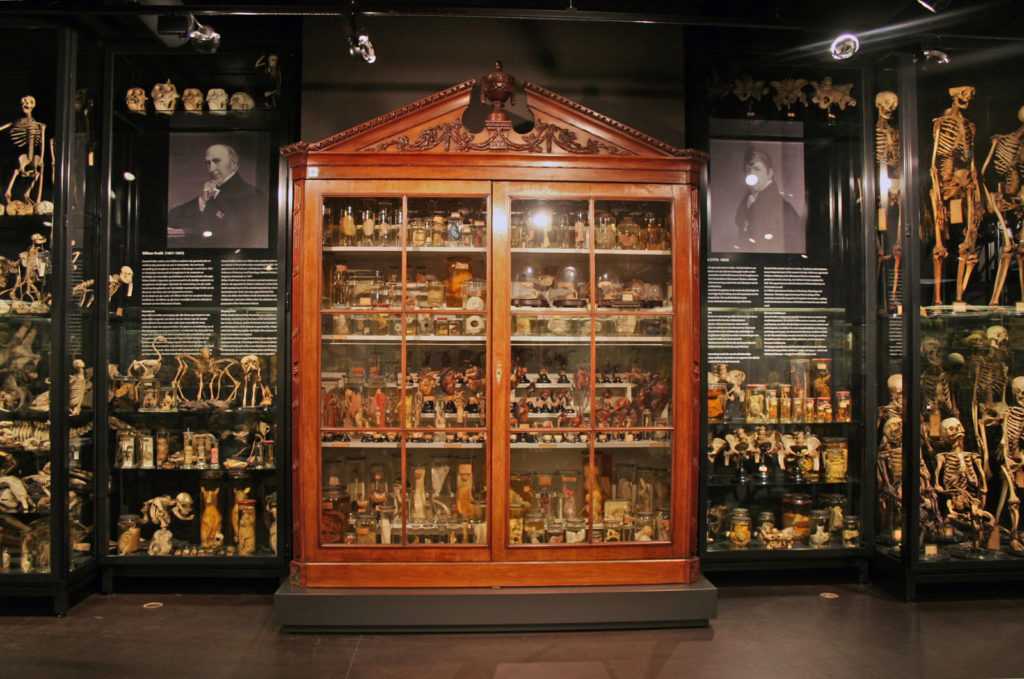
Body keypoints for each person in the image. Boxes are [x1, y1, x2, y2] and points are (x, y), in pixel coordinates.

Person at [168, 143, 266, 248]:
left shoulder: (251, 195)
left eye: (216, 161)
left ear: (233, 163)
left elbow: (234, 233)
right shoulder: (213, 192)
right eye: (207, 163)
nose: (211, 169)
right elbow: (173, 216)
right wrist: (202, 201)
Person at [733, 147, 802, 253]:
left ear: (769, 173)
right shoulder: (746, 204)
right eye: (748, 170)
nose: (752, 174)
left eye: (757, 169)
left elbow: (795, 247)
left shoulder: (784, 209)